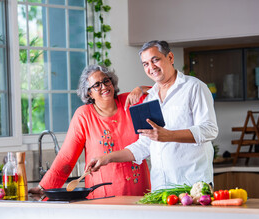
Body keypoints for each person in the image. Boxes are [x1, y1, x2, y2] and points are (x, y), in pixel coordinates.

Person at [87, 40, 219, 191]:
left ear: (170, 57)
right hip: (160, 187)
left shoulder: (194, 87)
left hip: (192, 183)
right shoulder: (150, 97)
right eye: (146, 64)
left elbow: (209, 129)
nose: (151, 67)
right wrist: (106, 158)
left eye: (155, 60)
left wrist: (168, 135)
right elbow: (144, 145)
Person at [29, 64, 151, 198]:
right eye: (97, 85)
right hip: (101, 196)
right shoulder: (84, 116)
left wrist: (141, 89)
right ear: (89, 92)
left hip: (139, 194)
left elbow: (165, 96)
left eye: (106, 81)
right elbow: (67, 158)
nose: (104, 87)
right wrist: (44, 187)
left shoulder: (132, 101)